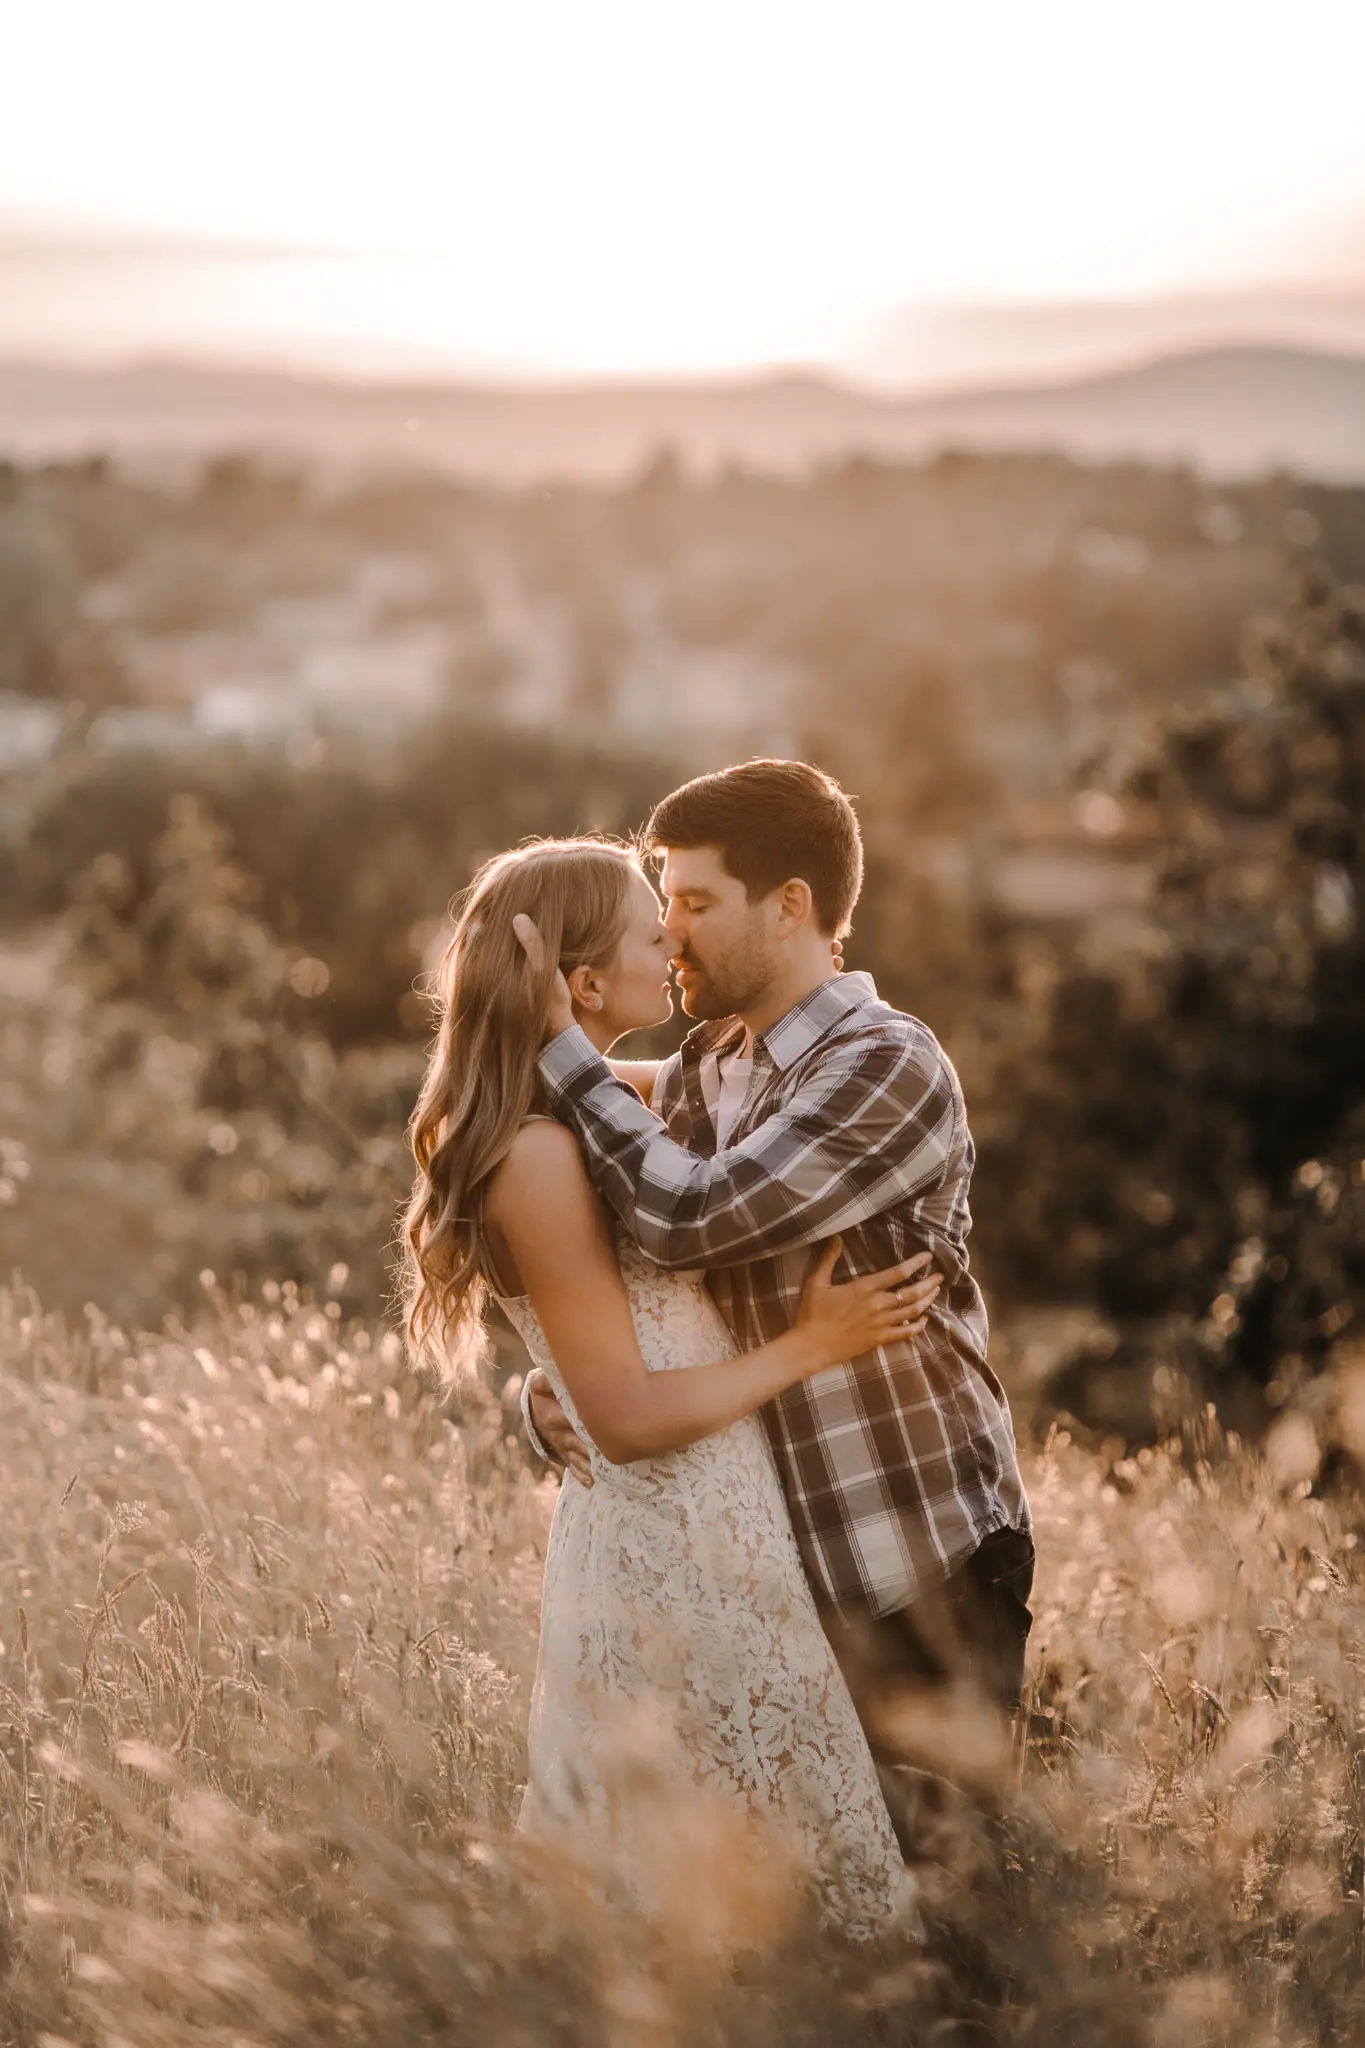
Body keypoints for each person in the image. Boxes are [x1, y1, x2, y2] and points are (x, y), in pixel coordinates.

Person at [400, 836, 929, 1939]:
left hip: (722, 1529)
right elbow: (630, 1417)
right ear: (584, 982)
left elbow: (708, 1108)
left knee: (777, 1888)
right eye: (654, 929)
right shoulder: (540, 1156)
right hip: (668, 1546)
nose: (673, 942)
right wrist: (811, 1344)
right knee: (696, 1905)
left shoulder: (605, 1109)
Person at [517, 761, 1034, 1833]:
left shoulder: (887, 1065)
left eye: (697, 903)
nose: (672, 935)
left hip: (912, 1561)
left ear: (791, 905)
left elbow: (691, 1216)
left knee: (947, 1922)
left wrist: (558, 1045)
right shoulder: (711, 1061)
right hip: (777, 1577)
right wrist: (544, 1386)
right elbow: (633, 1263)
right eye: (666, 907)